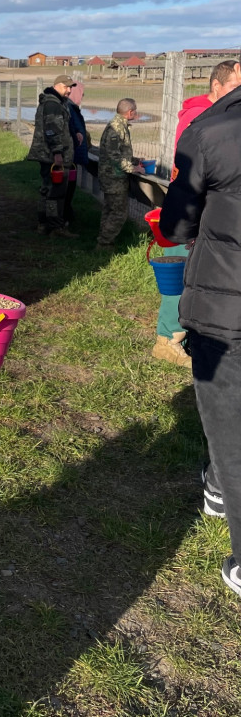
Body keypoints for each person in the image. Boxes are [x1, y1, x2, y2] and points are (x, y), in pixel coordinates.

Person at [160, 82, 241, 598]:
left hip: (225, 306)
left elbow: (174, 226)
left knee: (229, 421)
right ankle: (215, 486)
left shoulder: (211, 131)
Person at [153, 60, 241, 364]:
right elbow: (193, 171)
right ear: (216, 87)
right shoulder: (200, 119)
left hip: (214, 213)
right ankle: (168, 338)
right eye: (235, 87)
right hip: (195, 210)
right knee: (185, 273)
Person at [27, 73, 76, 238]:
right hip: (53, 156)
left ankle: (43, 224)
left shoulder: (53, 102)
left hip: (47, 155)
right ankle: (56, 228)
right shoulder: (53, 104)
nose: (69, 90)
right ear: (58, 85)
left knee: (46, 190)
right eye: (67, 86)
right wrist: (57, 152)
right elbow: (52, 130)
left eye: (70, 87)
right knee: (56, 193)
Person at [96, 97, 145, 250]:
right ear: (130, 112)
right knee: (119, 213)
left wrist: (134, 160)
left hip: (112, 175)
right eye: (135, 111)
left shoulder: (118, 125)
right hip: (113, 177)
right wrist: (132, 168)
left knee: (110, 209)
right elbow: (114, 155)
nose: (136, 114)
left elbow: (119, 151)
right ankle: (104, 243)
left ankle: (104, 240)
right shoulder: (116, 128)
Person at [64, 81, 91, 226]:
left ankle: (67, 213)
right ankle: (64, 217)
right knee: (68, 186)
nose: (82, 97)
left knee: (70, 185)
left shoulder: (71, 107)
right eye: (82, 93)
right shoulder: (68, 108)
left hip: (73, 156)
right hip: (70, 157)